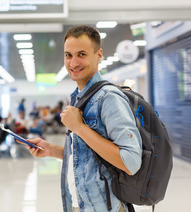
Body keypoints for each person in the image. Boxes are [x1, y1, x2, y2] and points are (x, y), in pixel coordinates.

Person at [25, 25, 142, 212]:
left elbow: (131, 162)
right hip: (81, 204)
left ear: (98, 55)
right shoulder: (80, 96)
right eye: (68, 55)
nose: (73, 63)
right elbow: (89, 155)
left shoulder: (108, 97)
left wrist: (79, 128)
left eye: (81, 54)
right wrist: (51, 150)